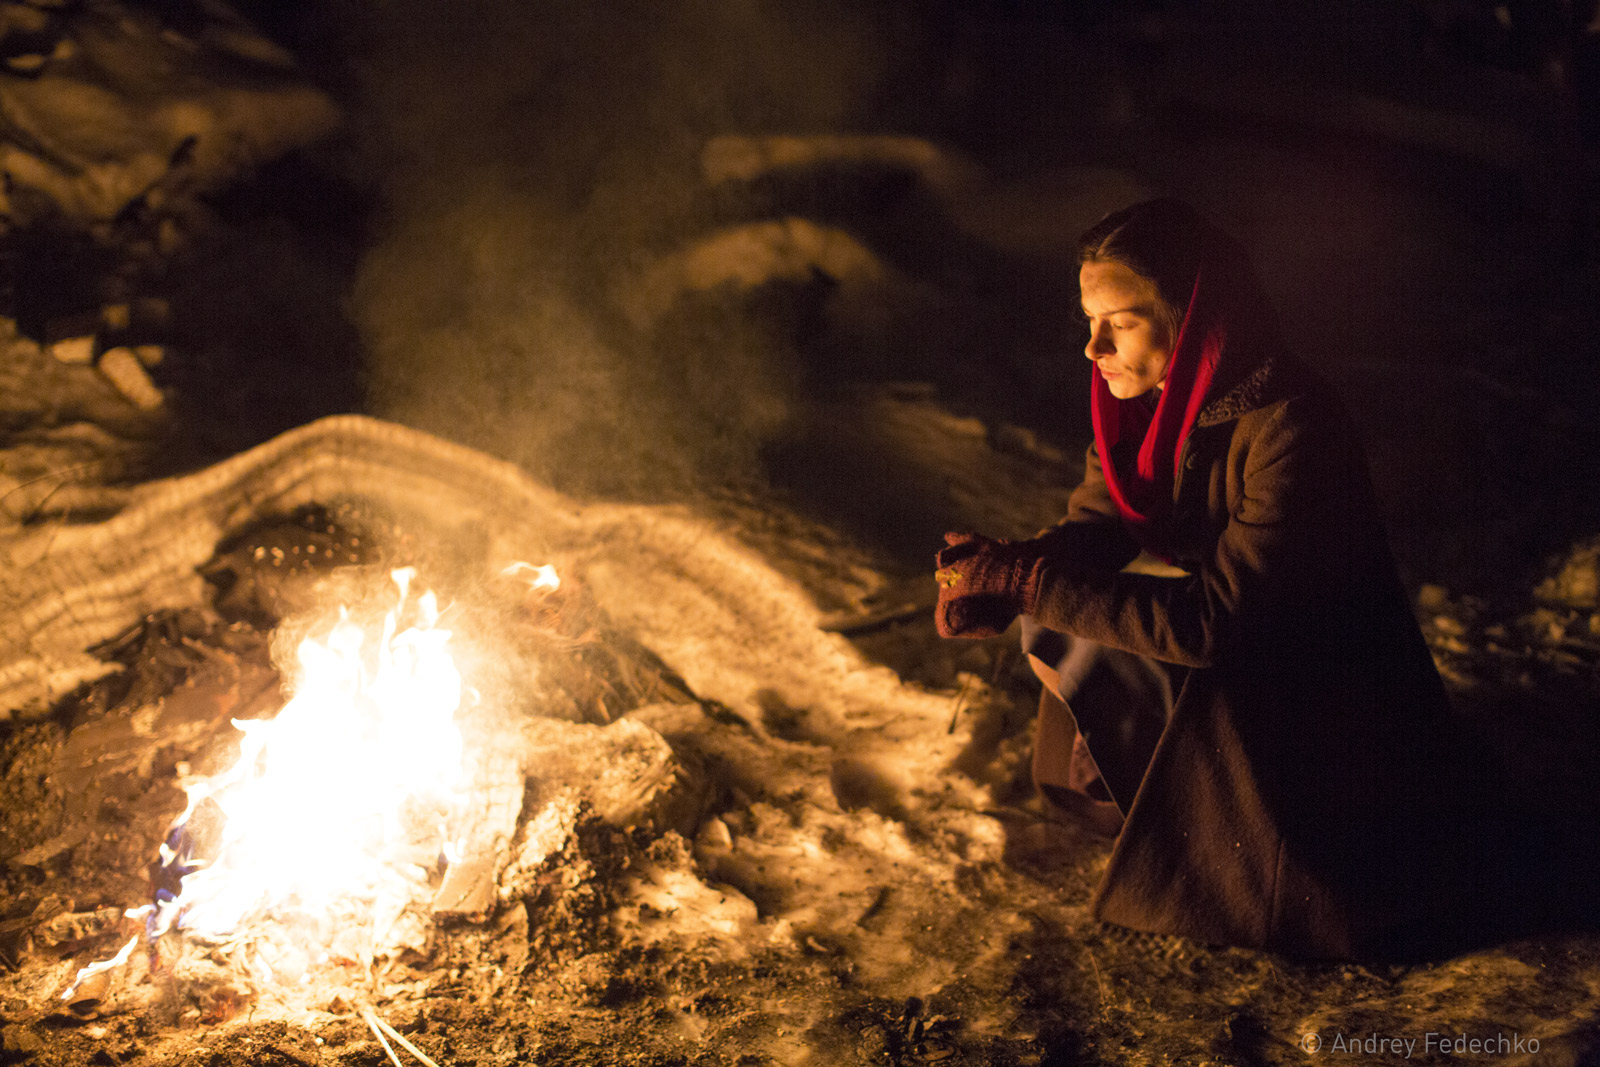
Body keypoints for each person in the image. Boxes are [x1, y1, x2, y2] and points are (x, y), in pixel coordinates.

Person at [933, 198, 1501, 960]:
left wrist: (1030, 578)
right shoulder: (1134, 407)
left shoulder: (1292, 425)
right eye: (1089, 321)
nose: (1092, 347)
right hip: (1233, 643)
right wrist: (1002, 575)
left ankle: (1246, 851)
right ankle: (1163, 804)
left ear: (1193, 316)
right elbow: (1099, 531)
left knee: (1090, 607)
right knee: (1062, 598)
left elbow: (1217, 622)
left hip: (1322, 694)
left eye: (1121, 322)